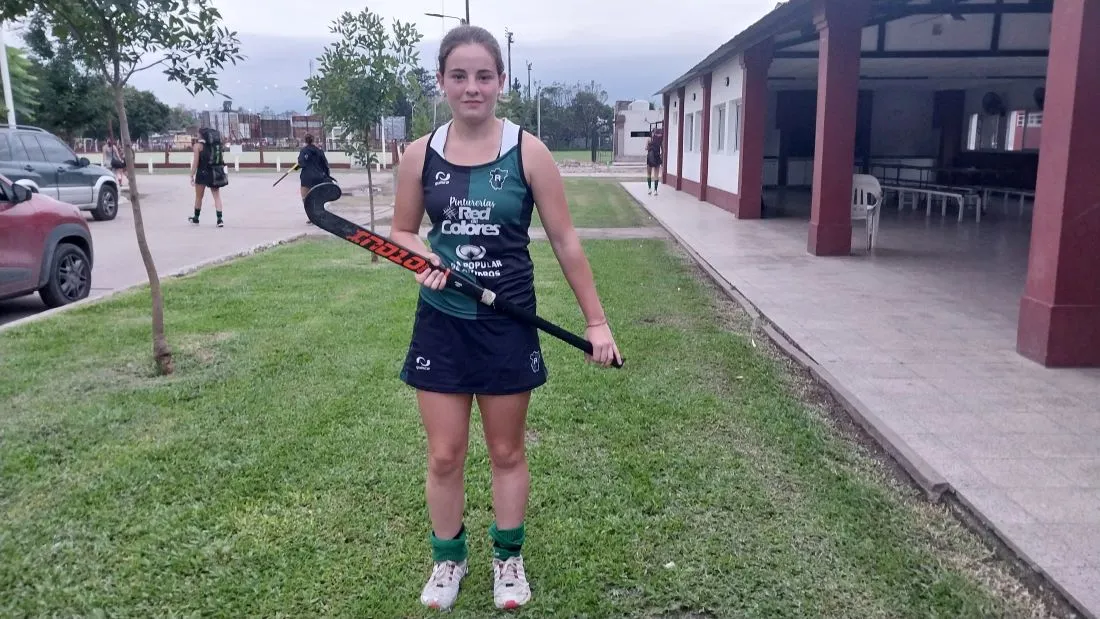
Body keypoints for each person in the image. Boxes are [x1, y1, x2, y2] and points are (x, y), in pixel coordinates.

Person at [389, 24, 622, 612]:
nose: (472, 88)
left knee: (506, 451)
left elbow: (566, 242)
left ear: (501, 82)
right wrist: (420, 262)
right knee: (444, 454)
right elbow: (400, 232)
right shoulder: (419, 154)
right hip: (442, 321)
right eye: (459, 76)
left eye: (484, 76)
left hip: (507, 320)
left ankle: (507, 559)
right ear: (442, 81)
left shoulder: (529, 151)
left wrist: (596, 322)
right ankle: (448, 560)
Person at [188, 127, 228, 227]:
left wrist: (191, 175)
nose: (197, 135)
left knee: (198, 197)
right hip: (214, 172)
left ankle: (196, 218)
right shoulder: (215, 146)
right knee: (217, 197)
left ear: (201, 135)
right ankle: (219, 220)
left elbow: (196, 163)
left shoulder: (197, 146)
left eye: (198, 134)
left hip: (202, 173)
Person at [297, 134, 331, 225]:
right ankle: (318, 215)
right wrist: (327, 176)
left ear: (305, 141)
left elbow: (301, 164)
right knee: (317, 198)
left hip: (307, 178)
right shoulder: (319, 151)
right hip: (319, 178)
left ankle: (311, 217)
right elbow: (325, 165)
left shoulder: (303, 151)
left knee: (305, 198)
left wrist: (297, 166)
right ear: (314, 140)